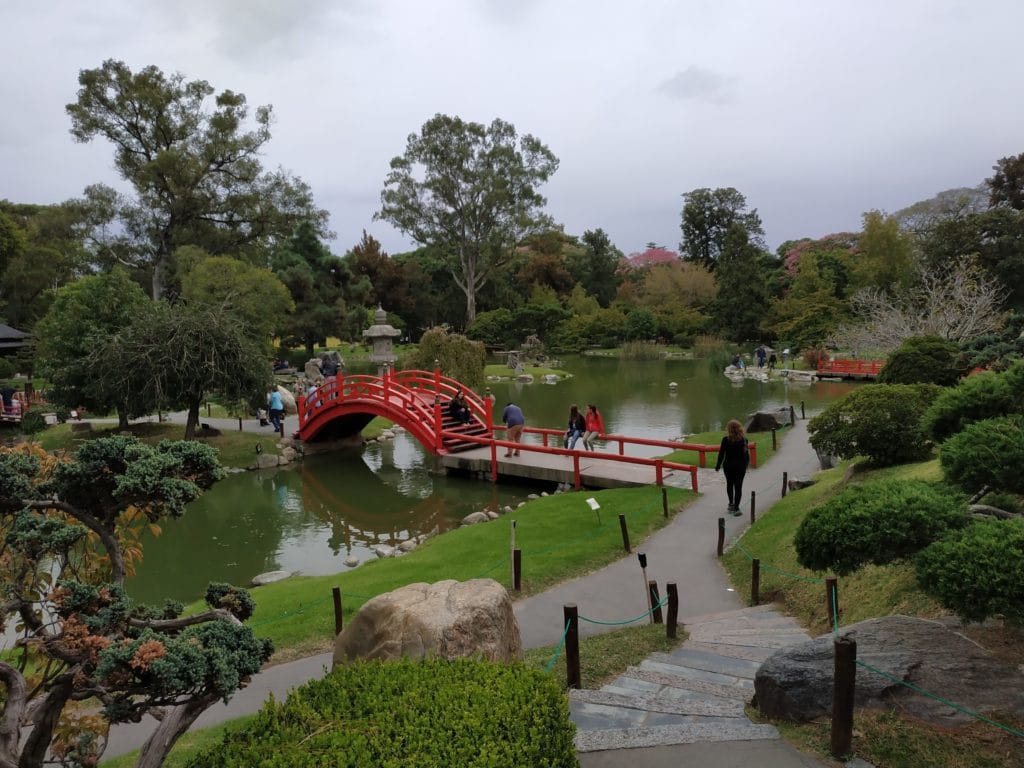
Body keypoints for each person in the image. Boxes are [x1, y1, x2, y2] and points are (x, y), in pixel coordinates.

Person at [714, 419, 750, 515]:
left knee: (730, 484)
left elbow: (721, 454)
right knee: (738, 487)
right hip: (740, 466)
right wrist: (746, 466)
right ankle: (737, 508)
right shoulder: (744, 440)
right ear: (739, 428)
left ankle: (731, 504)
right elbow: (746, 455)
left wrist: (718, 465)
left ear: (729, 429)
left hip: (728, 466)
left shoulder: (725, 440)